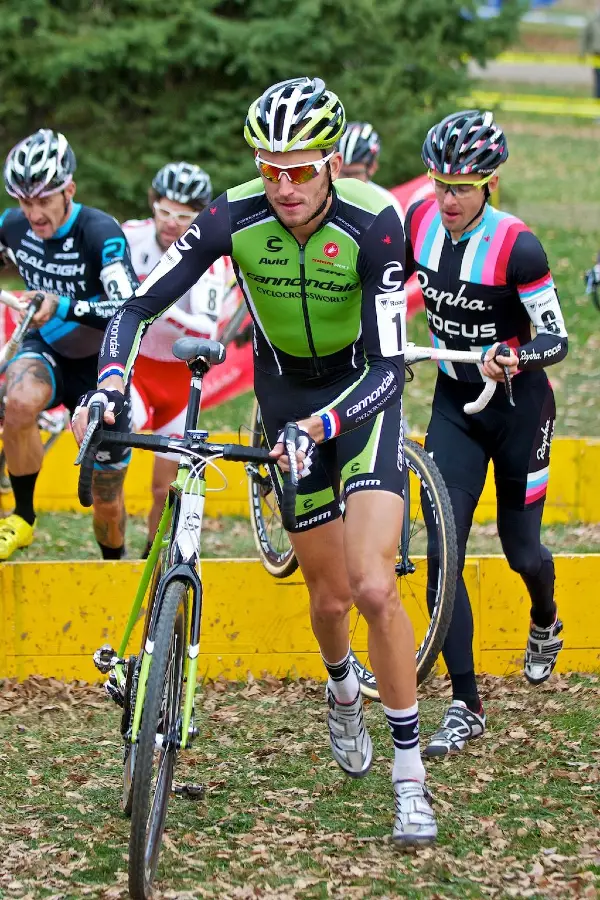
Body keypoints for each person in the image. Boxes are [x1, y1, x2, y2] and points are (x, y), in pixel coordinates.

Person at [74, 76, 438, 845]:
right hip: (281, 399)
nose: (284, 186)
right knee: (330, 599)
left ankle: (410, 779)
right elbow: (136, 307)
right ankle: (342, 694)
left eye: (300, 169)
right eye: (269, 167)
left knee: (375, 585)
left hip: (359, 401)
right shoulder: (232, 214)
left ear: (332, 161)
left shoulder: (377, 222)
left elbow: (388, 365)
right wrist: (110, 385)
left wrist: (323, 423)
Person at [404, 109, 568, 756]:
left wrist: (516, 356)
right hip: (454, 402)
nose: (447, 198)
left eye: (462, 187)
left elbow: (556, 338)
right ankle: (466, 703)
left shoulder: (518, 246)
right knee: (444, 549)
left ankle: (546, 620)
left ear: (490, 182)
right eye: (440, 182)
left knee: (521, 551)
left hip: (520, 407)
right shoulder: (418, 222)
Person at [0, 129, 138, 560]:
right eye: (24, 201)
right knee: (19, 401)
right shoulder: (13, 225)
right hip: (49, 349)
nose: (33, 213)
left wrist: (61, 305)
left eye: (43, 200)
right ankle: (22, 517)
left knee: (106, 501)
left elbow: (127, 307)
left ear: (69, 190)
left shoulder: (100, 232)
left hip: (103, 364)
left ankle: (112, 567)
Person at [123, 162, 238, 557]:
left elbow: (204, 330)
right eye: (165, 211)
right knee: (113, 458)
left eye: (184, 216)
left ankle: (150, 561)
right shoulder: (129, 236)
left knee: (163, 488)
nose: (172, 223)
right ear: (153, 205)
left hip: (179, 381)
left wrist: (150, 300)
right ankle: (111, 549)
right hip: (136, 371)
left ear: (199, 216)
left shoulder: (209, 257)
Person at [338, 121, 405, 221]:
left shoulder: (386, 206)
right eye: (342, 173)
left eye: (354, 174)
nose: (347, 181)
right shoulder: (320, 200)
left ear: (372, 168)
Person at [580, 4, 600, 100]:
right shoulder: (593, 21)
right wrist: (582, 53)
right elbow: (584, 37)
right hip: (597, 55)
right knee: (599, 81)